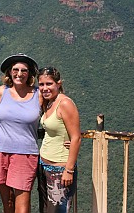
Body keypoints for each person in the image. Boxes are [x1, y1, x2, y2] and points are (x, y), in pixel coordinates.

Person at [0, 53, 40, 213]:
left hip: (25, 153)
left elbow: (53, 117)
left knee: (22, 205)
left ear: (29, 74)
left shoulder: (38, 95)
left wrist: (66, 138)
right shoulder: (1, 92)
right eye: (15, 70)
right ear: (9, 72)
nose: (19, 73)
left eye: (24, 70)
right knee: (7, 203)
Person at [37, 67, 81, 213]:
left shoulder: (65, 104)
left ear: (59, 83)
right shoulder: (49, 102)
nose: (45, 88)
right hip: (44, 165)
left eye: (49, 84)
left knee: (57, 210)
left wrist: (69, 169)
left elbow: (76, 137)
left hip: (60, 168)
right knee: (46, 209)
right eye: (41, 84)